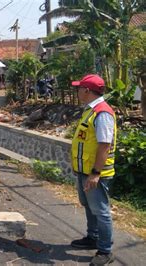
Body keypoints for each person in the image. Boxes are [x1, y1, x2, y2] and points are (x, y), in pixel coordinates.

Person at [70, 74, 116, 265]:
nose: (77, 91)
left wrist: (96, 173)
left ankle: (105, 251)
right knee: (89, 206)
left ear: (87, 90)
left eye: (79, 88)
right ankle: (93, 237)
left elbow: (104, 145)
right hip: (85, 170)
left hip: (96, 173)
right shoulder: (91, 110)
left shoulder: (102, 113)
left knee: (101, 210)